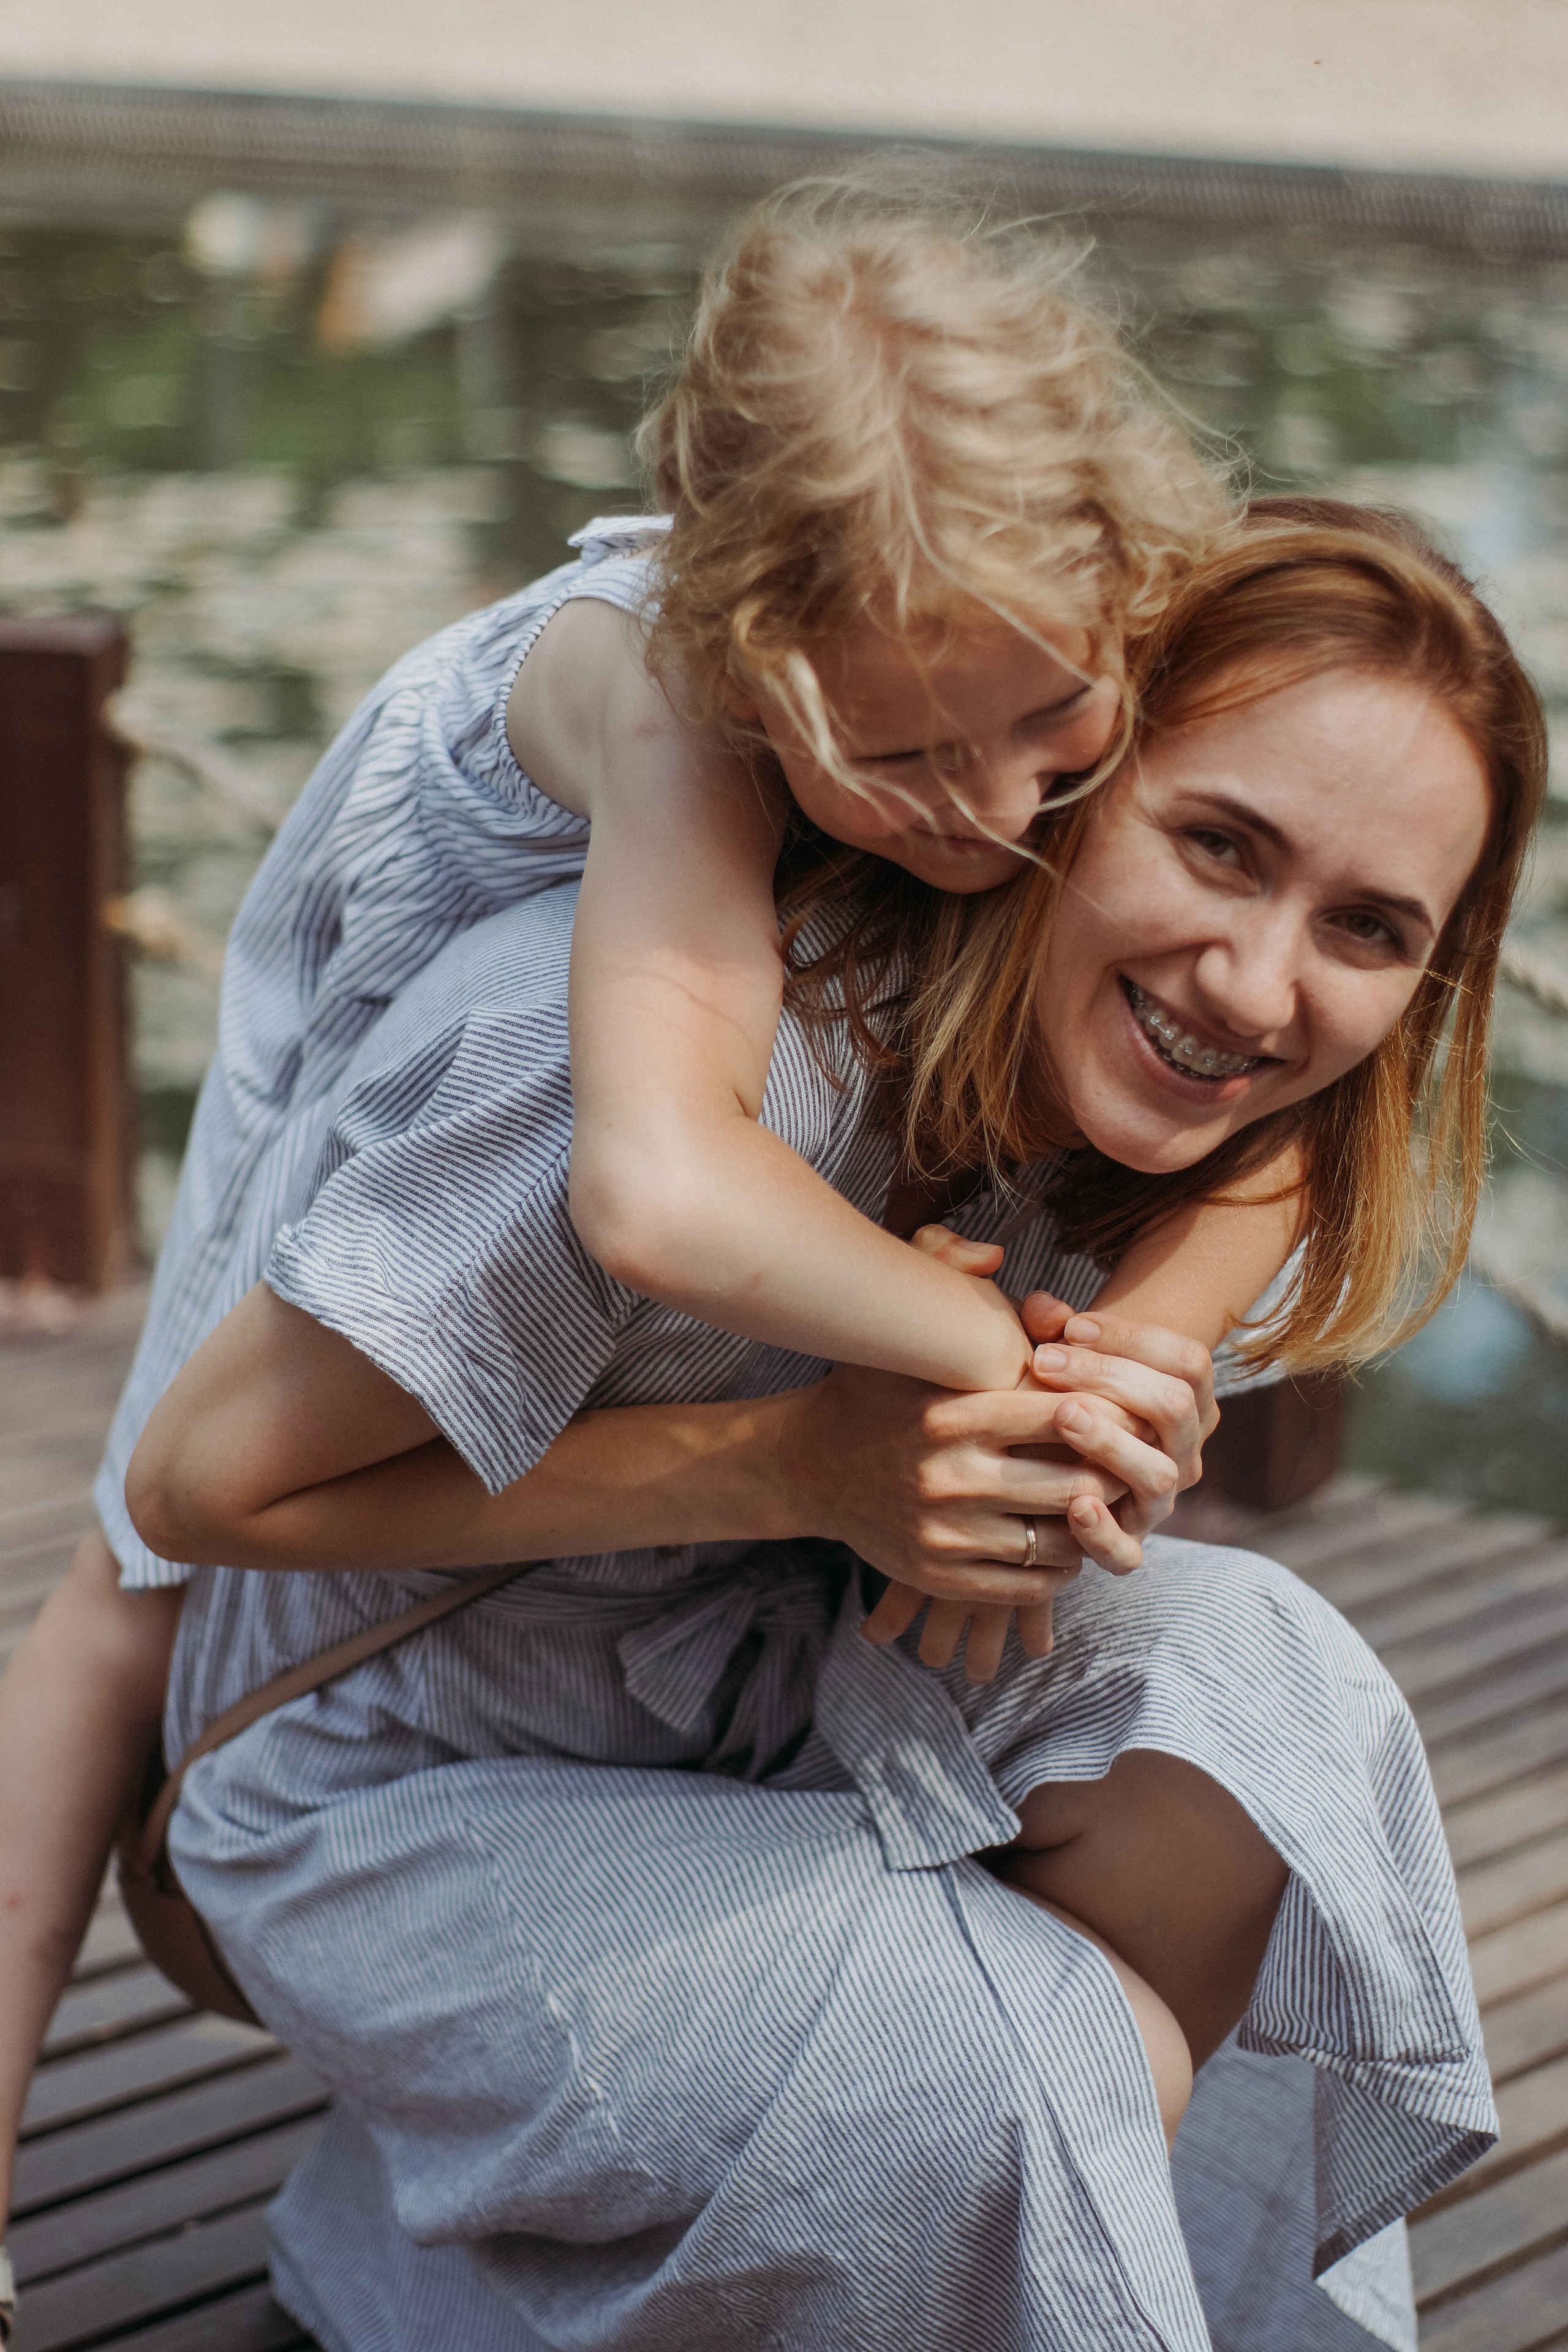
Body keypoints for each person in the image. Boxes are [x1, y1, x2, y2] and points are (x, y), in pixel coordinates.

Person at [88, 502, 1544, 2351]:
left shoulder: (1183, 1137)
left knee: (1278, 1701)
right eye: (1216, 844)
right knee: (978, 2066)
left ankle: (774, 2239)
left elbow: (1309, 1158)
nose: (1259, 987)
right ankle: (603, 2217)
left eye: (1364, 926)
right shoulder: (664, 1049)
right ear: (1073, 770)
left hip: (739, 1706)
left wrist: (1118, 1396)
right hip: (381, 1775)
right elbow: (200, 1485)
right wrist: (801, 1465)